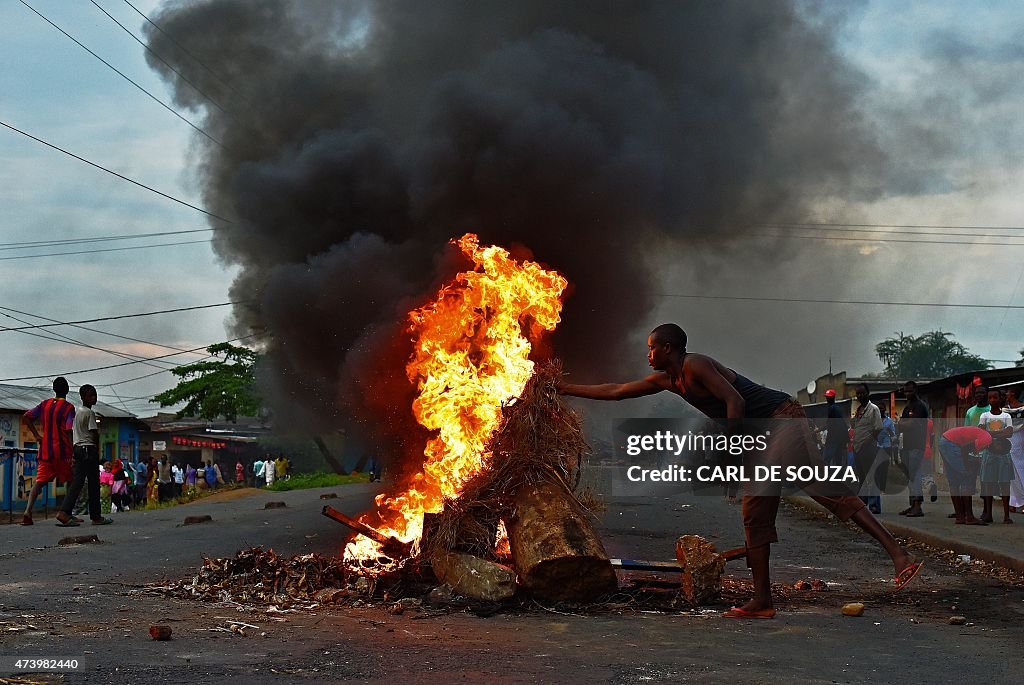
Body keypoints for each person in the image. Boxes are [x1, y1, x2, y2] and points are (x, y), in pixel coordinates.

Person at [557, 323, 921, 618]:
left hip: (782, 419)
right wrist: (561, 387)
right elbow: (617, 390)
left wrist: (733, 458)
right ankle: (762, 599)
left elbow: (736, 400)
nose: (648, 354)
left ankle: (899, 556)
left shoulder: (695, 365)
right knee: (762, 505)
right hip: (762, 435)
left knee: (808, 490)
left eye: (652, 347)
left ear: (668, 348)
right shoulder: (668, 380)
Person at [20, 377, 76, 525]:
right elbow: (69, 428)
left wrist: (37, 435)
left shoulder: (44, 405)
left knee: (38, 483)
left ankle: (28, 511)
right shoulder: (69, 408)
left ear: (54, 389)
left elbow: (27, 416)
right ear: (67, 390)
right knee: (71, 481)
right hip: (63, 452)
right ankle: (67, 512)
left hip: (45, 450)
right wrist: (73, 449)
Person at [55, 384, 111, 526]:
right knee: (93, 483)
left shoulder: (78, 412)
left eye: (95, 394)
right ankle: (95, 517)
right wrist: (97, 451)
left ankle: (65, 512)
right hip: (88, 449)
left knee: (77, 482)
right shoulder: (89, 413)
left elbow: (74, 432)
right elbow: (94, 433)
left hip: (78, 448)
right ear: (82, 397)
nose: (94, 397)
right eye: (90, 395)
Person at [939, 425, 1008, 524]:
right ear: (999, 444)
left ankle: (960, 517)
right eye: (999, 451)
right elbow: (964, 449)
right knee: (966, 478)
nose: (997, 453)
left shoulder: (986, 436)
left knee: (953, 481)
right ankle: (969, 517)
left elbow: (966, 449)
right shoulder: (987, 440)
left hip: (945, 440)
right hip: (951, 444)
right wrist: (966, 467)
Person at [978, 389, 1014, 524]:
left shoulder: (1006, 416)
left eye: (995, 397)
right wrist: (1001, 432)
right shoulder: (984, 415)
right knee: (988, 484)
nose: (992, 400)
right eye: (990, 398)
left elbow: (1009, 433)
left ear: (1000, 399)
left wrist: (991, 434)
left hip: (1003, 454)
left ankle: (1006, 516)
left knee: (1005, 484)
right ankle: (988, 514)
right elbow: (981, 433)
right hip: (989, 453)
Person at [897, 381, 929, 517]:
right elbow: (902, 424)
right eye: (905, 391)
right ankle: (912, 505)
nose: (907, 394)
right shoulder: (907, 407)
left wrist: (902, 423)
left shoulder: (920, 406)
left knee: (915, 475)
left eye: (909, 391)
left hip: (917, 446)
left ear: (915, 390)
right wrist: (903, 423)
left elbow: (909, 424)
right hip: (906, 445)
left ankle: (917, 506)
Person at [850, 384, 884, 514]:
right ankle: (863, 503)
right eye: (858, 393)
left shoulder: (873, 409)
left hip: (868, 447)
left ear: (868, 393)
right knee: (862, 477)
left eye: (862, 393)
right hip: (857, 447)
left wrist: (869, 442)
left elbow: (878, 428)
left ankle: (874, 506)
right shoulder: (859, 410)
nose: (860, 396)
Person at [1005, 388, 1024, 514]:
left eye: (1008, 392)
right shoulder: (1004, 408)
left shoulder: (1022, 408)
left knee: (1020, 468)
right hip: (1008, 438)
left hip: (1019, 437)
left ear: (1012, 393)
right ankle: (1014, 502)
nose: (1006, 394)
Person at [822, 389, 848, 468]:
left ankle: (827, 478)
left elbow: (831, 424)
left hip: (833, 438)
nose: (827, 399)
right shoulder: (834, 408)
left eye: (829, 397)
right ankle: (838, 477)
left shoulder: (833, 408)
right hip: (837, 438)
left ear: (833, 397)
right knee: (838, 460)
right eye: (827, 397)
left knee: (826, 459)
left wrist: (819, 429)